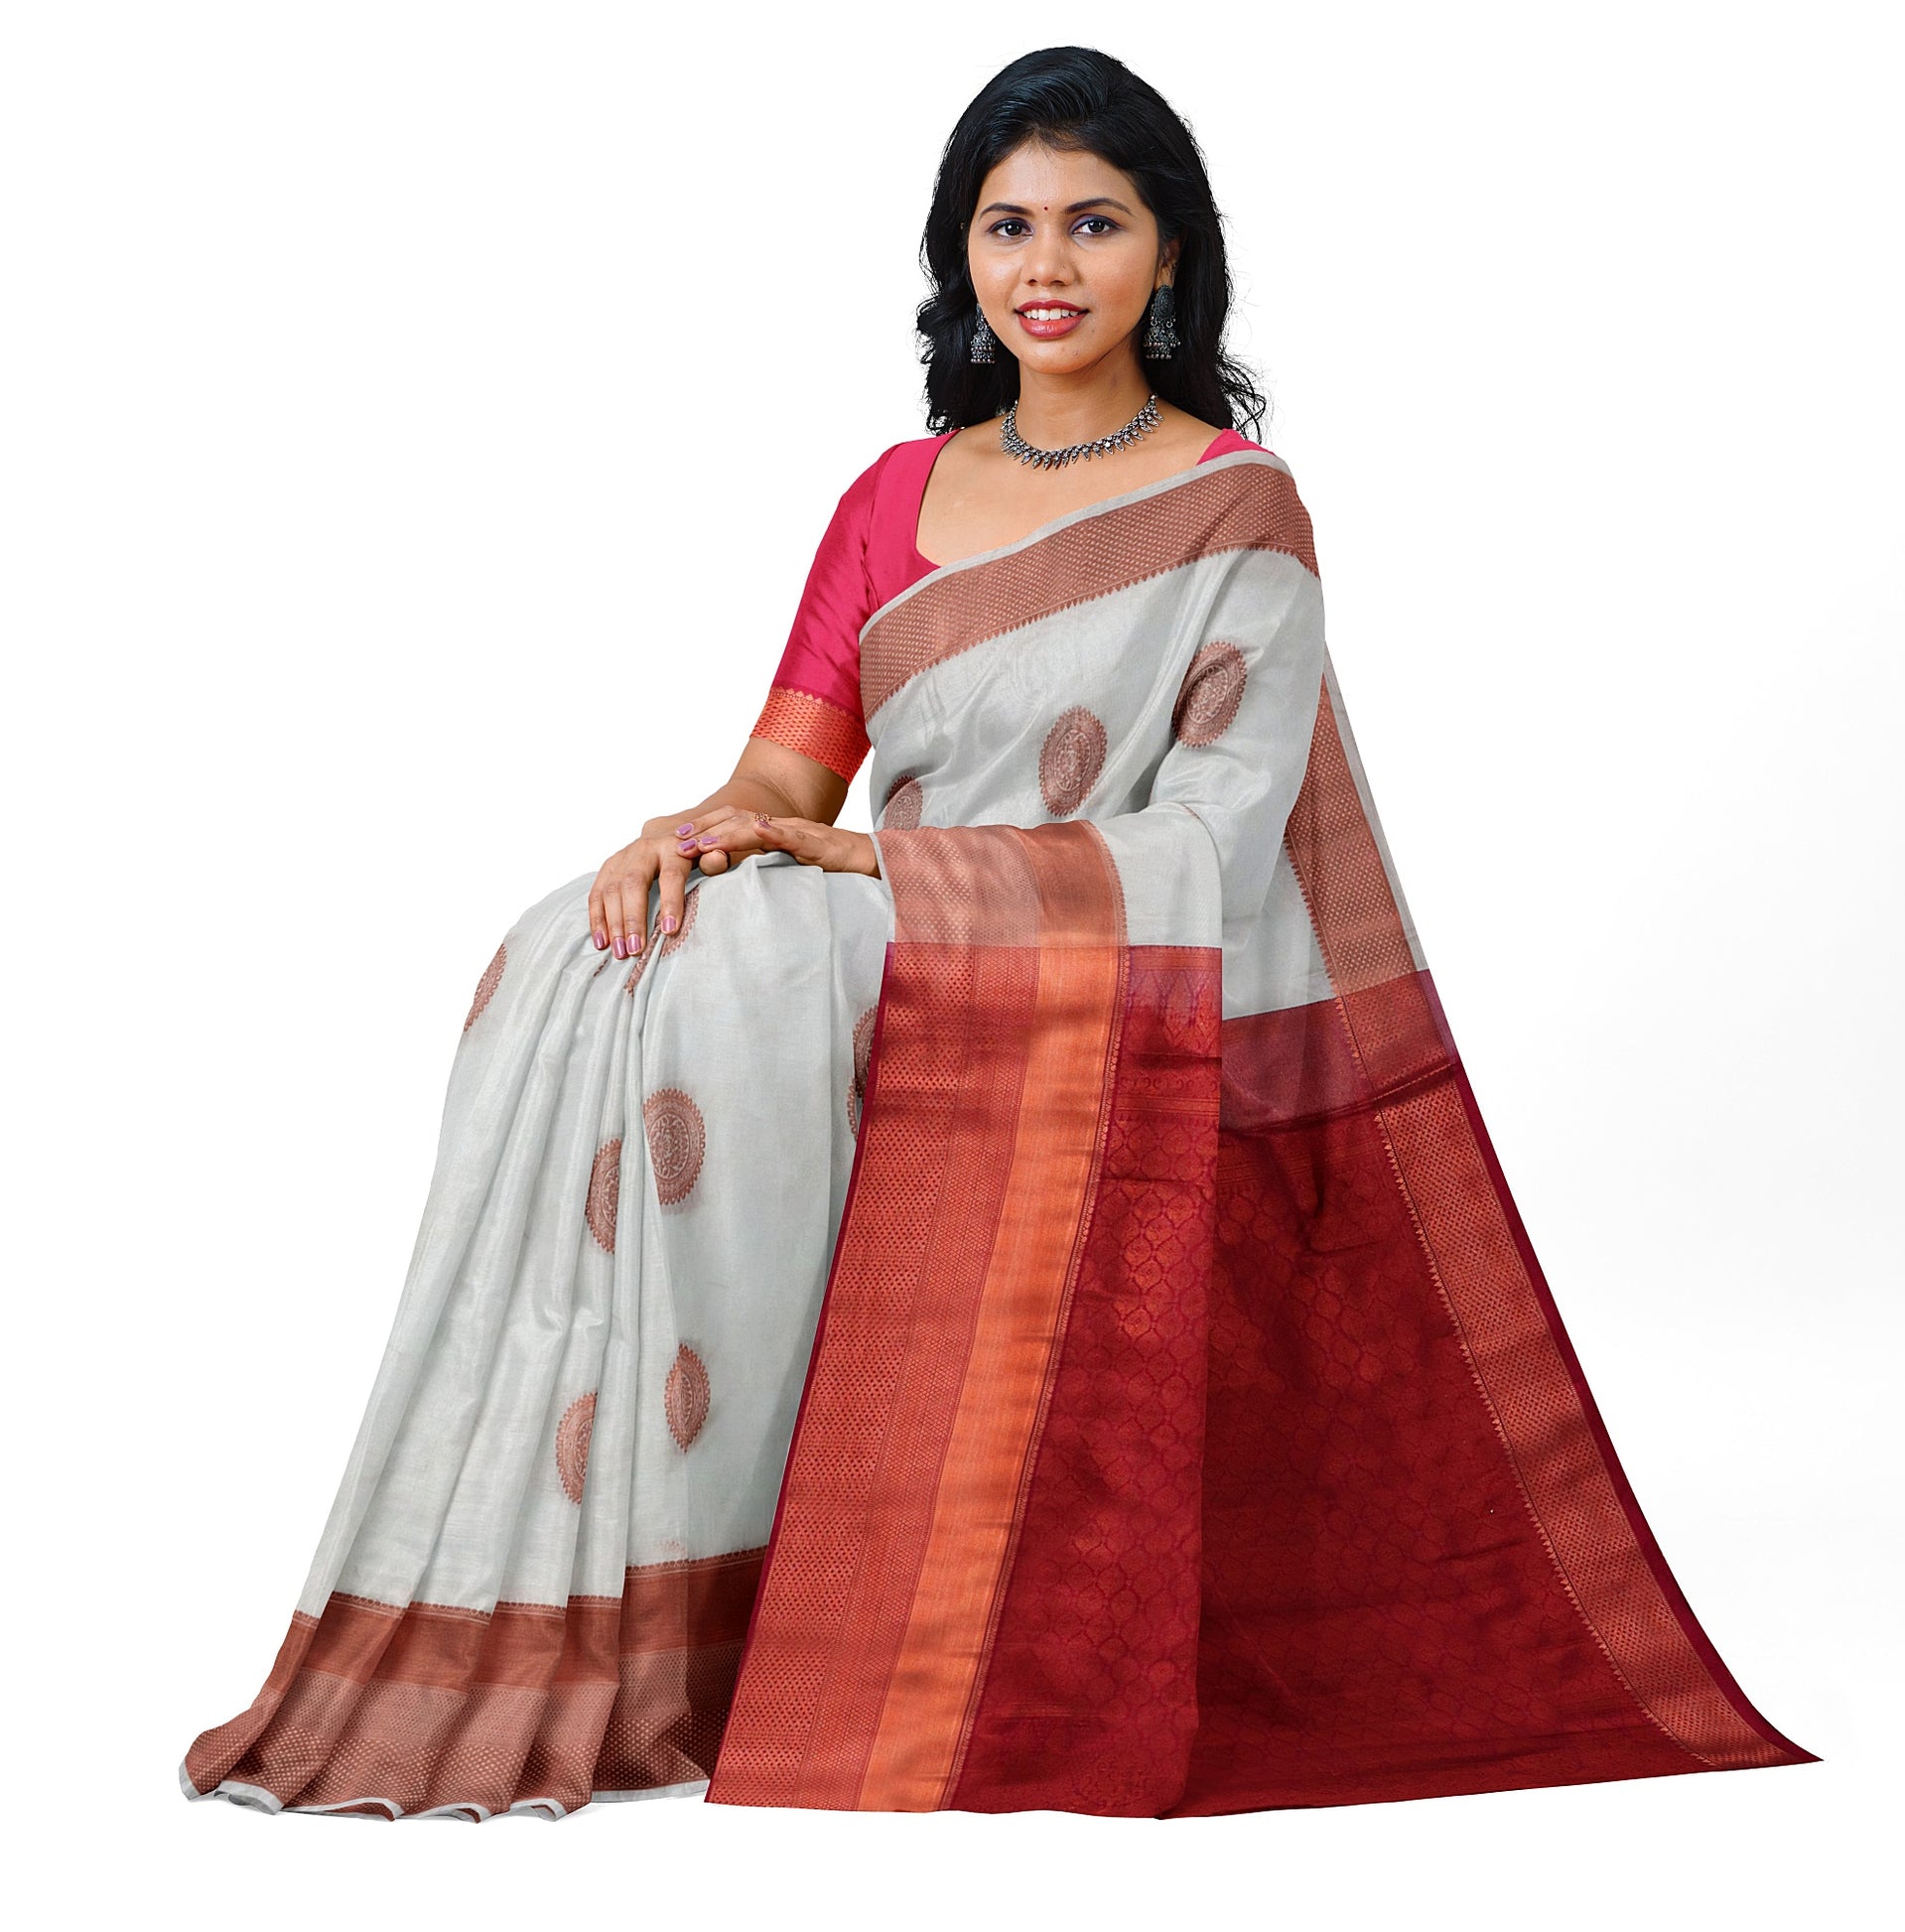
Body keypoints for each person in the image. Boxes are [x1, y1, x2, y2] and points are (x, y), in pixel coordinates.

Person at [180, 45, 1812, 1822]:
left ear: (1169, 253)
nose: (1047, 265)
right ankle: (597, 1614)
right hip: (897, 931)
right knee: (589, 959)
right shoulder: (891, 495)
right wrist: (680, 835)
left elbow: (1214, 845)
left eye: (1093, 224)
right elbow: (784, 779)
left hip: (1077, 981)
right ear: (958, 254)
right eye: (1007, 224)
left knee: (739, 974)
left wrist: (891, 874)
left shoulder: (1233, 505)